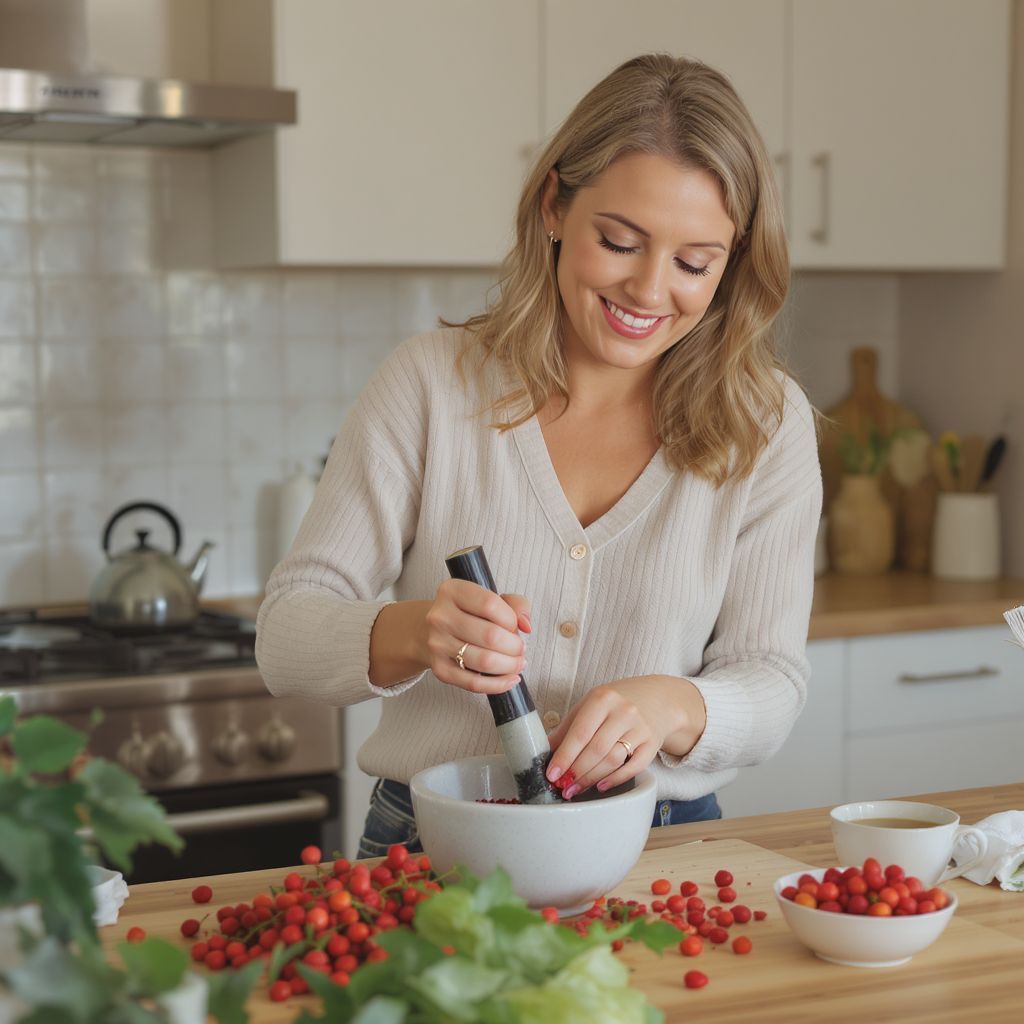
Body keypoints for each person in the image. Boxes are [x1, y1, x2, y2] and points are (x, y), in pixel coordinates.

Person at [255, 53, 822, 858]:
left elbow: (772, 678)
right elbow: (284, 638)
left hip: (656, 848)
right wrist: (416, 632)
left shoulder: (765, 424)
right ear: (555, 205)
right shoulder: (430, 384)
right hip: (434, 844)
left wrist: (671, 706)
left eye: (696, 263)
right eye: (621, 242)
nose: (651, 291)